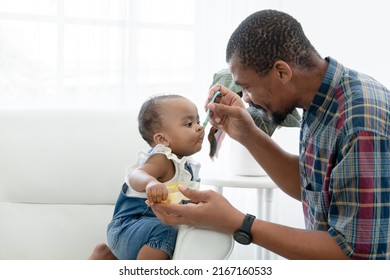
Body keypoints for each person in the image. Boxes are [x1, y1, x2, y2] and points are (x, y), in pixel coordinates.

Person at [150, 9, 390, 260]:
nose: (247, 99)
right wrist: (248, 135)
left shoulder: (360, 124)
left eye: (248, 87)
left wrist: (237, 222)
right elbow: (312, 187)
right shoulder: (323, 99)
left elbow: (354, 257)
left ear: (282, 72)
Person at [90, 94, 204, 260]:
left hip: (146, 231)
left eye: (198, 122)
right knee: (164, 231)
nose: (199, 128)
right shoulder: (162, 158)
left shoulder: (189, 167)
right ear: (162, 139)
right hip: (128, 227)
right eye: (189, 124)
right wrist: (150, 182)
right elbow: (137, 175)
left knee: (173, 230)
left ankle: (106, 258)